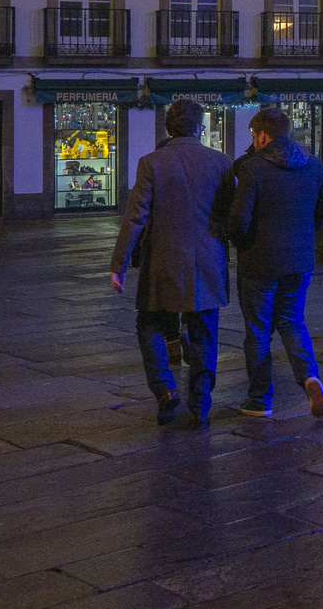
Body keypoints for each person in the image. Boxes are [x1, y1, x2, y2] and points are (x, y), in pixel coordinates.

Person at [110, 100, 232, 427]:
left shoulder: (151, 162)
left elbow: (135, 217)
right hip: (208, 261)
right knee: (205, 330)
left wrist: (119, 264)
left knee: (149, 323)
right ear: (199, 127)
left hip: (162, 260)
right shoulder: (221, 162)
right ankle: (201, 399)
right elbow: (233, 215)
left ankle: (165, 389)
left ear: (168, 127)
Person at [228, 107, 323, 419]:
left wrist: (244, 241)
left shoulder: (254, 169)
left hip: (258, 261)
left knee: (258, 330)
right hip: (300, 261)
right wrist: (301, 233)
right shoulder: (313, 165)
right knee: (293, 320)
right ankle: (310, 378)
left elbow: (238, 221)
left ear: (261, 135)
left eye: (253, 136)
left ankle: (260, 399)